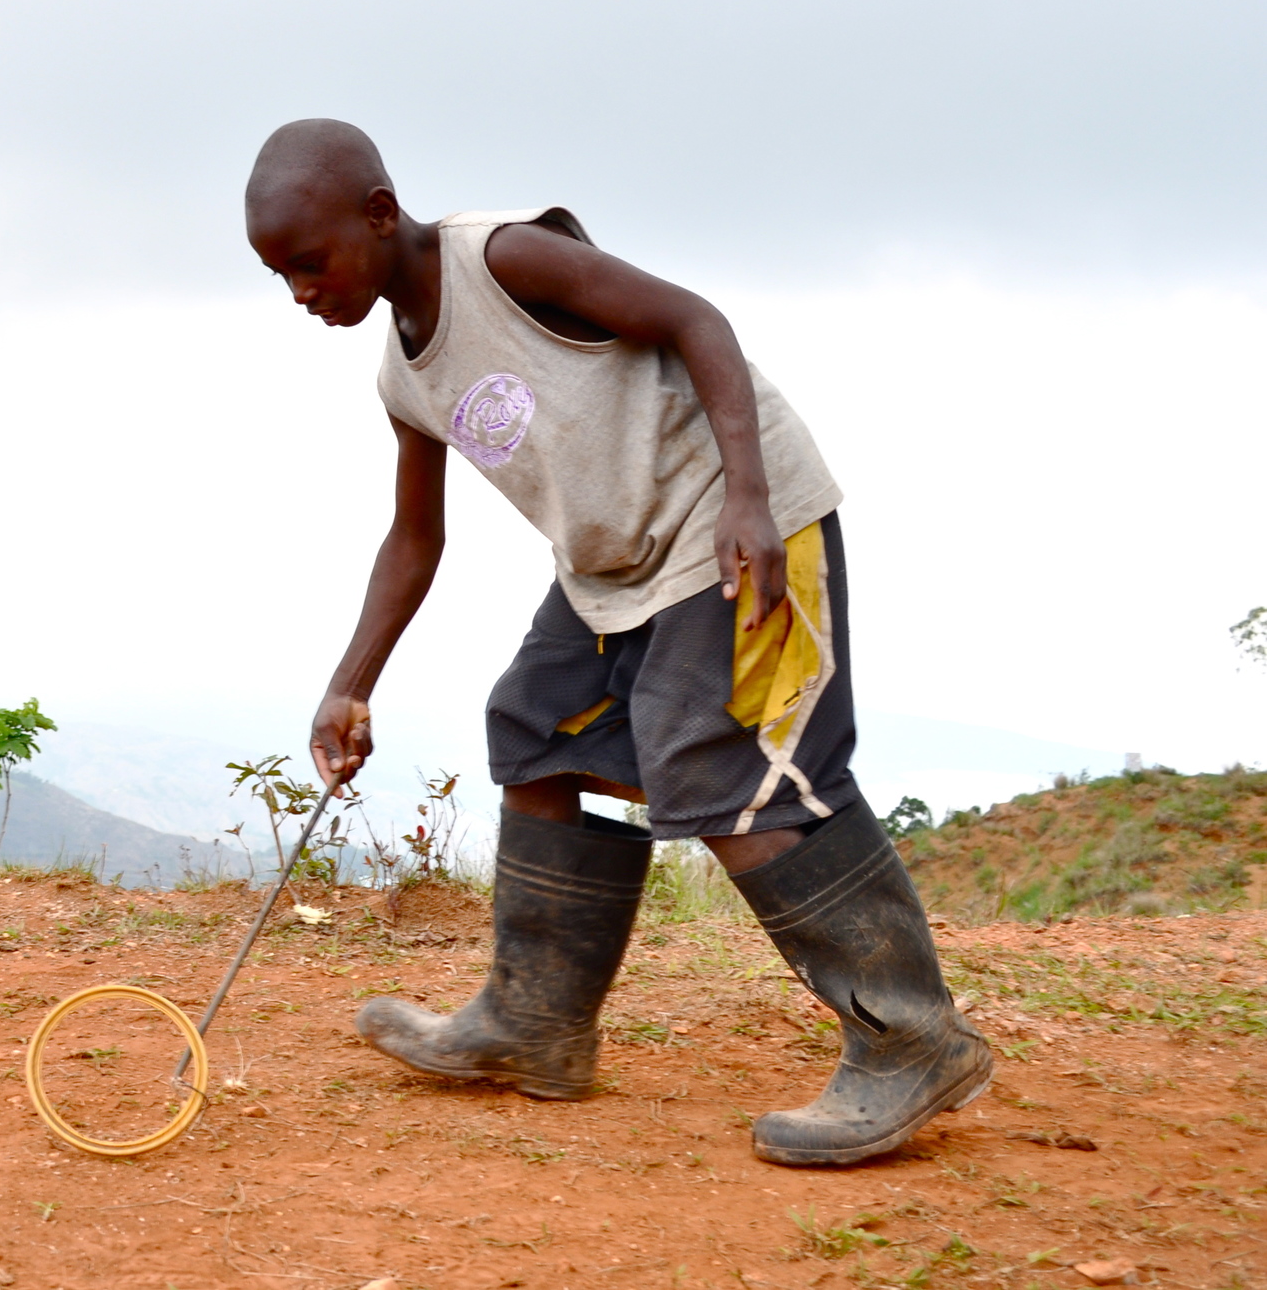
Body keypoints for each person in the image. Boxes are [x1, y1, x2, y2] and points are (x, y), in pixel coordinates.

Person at [243, 118, 990, 1168]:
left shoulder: (502, 258)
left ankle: (911, 1035)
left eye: (308, 262)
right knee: (536, 728)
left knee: (727, 765)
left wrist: (747, 492)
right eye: (277, 276)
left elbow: (693, 319)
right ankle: (535, 1018)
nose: (300, 293)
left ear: (376, 214)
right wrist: (345, 684)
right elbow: (416, 536)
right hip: (612, 566)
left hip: (728, 518)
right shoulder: (402, 378)